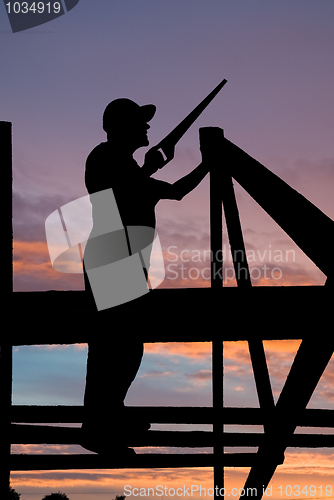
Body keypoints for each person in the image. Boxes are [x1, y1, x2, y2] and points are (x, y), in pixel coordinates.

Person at [81, 98, 211, 456]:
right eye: (141, 122)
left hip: (125, 261)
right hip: (112, 258)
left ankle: (109, 415)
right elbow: (122, 192)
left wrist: (204, 167)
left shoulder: (128, 167)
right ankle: (98, 428)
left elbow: (175, 191)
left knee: (125, 346)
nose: (148, 128)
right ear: (121, 128)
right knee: (113, 346)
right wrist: (150, 169)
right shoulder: (104, 158)